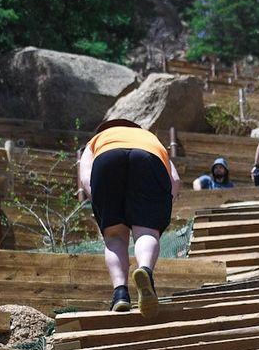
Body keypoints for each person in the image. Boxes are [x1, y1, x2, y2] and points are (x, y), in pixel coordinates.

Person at [77, 119, 181, 317]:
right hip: (148, 159)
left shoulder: (97, 140)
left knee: (115, 236)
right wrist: (162, 205)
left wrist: (100, 201)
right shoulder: (149, 138)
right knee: (147, 231)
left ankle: (120, 294)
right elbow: (174, 179)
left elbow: (86, 176)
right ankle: (145, 271)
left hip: (106, 160)